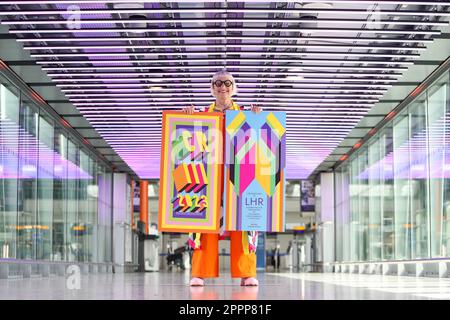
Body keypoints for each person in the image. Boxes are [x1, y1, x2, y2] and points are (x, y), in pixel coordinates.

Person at [182, 70, 262, 287]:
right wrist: (187, 118)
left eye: (227, 83)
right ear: (212, 88)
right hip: (208, 171)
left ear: (233, 88)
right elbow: (186, 140)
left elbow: (261, 140)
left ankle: (247, 273)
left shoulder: (246, 113)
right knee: (204, 219)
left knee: (244, 219)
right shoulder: (201, 114)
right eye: (217, 83)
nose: (222, 87)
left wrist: (258, 118)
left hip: (240, 171)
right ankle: (199, 271)